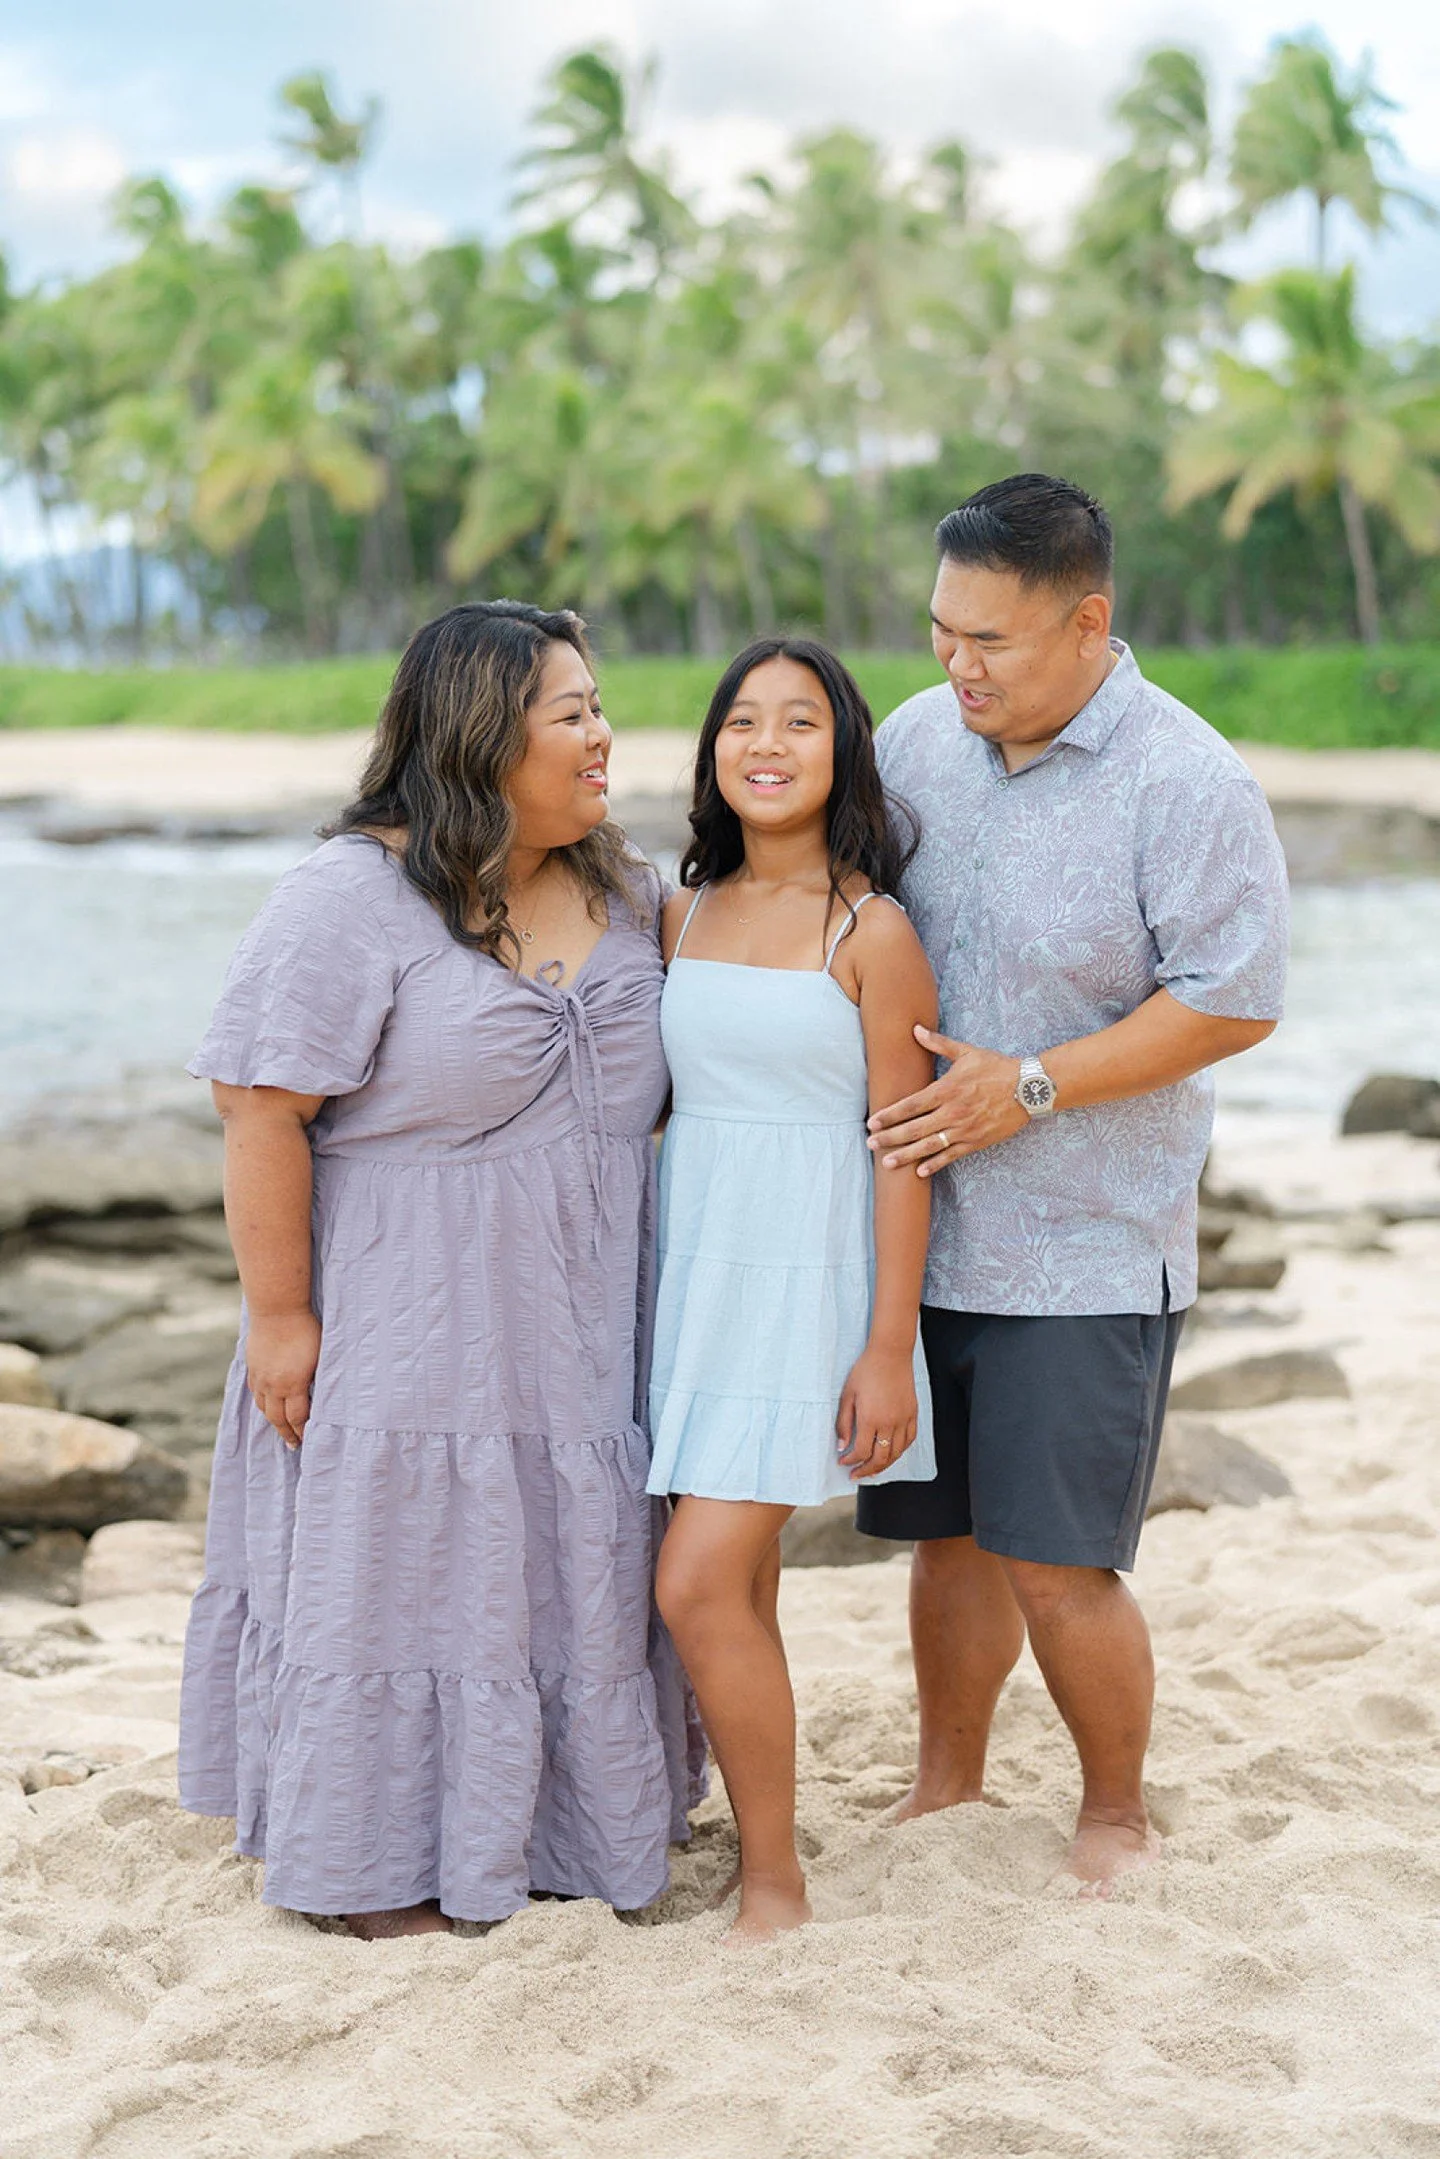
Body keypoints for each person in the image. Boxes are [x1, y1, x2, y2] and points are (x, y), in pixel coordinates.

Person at [178, 600, 702, 1938]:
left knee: (556, 1578)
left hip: (584, 1328)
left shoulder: (630, 893)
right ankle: (371, 1867)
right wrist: (282, 1316)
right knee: (410, 1577)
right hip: (407, 1324)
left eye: (598, 707)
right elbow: (258, 1106)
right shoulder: (350, 898)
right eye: (571, 712)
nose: (603, 737)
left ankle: (554, 1838)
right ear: (482, 733)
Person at [857, 474, 1289, 1896]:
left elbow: (1233, 1001)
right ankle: (947, 1782)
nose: (957, 666)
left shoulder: (1190, 780)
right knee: (951, 1543)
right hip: (925, 1230)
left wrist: (1029, 1081)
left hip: (1088, 1240)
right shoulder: (916, 742)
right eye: (940, 631)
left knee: (1059, 1560)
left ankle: (1115, 1812)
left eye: (991, 640)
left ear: (1089, 622)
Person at [648, 637, 939, 1944]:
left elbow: (905, 1154)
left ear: (843, 752)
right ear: (714, 749)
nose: (767, 744)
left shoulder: (872, 931)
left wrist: (888, 1347)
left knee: (695, 1582)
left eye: (800, 723)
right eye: (743, 721)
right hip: (695, 1269)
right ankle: (760, 1837)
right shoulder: (679, 906)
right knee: (742, 1581)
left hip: (807, 1282)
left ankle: (776, 1881)